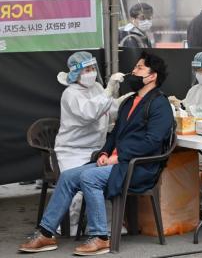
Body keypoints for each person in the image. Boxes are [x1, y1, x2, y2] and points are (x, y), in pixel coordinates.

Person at [18, 52, 174, 256]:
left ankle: (101, 237)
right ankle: (46, 232)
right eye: (134, 67)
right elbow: (114, 133)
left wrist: (119, 156)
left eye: (139, 68)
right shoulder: (129, 102)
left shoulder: (159, 104)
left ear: (152, 76)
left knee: (88, 177)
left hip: (137, 166)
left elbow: (152, 142)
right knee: (67, 177)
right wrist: (104, 152)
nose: (133, 71)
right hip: (109, 159)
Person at [54, 51, 130, 236]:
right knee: (77, 192)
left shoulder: (96, 87)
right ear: (75, 73)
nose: (91, 73)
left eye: (92, 68)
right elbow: (89, 113)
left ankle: (102, 226)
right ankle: (70, 228)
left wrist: (121, 103)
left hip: (97, 149)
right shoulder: (70, 94)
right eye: (86, 69)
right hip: (72, 151)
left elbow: (107, 108)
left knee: (103, 184)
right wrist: (109, 89)